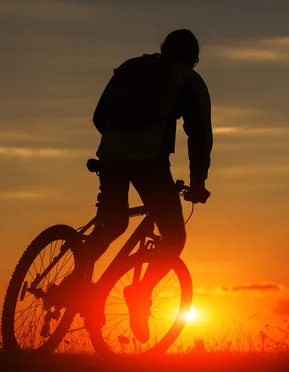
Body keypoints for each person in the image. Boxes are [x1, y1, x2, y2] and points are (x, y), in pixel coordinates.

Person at [85, 29, 213, 343]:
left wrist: (118, 141)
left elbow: (99, 116)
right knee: (173, 235)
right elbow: (198, 135)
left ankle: (77, 288)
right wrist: (198, 182)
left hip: (111, 154)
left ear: (163, 48)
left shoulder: (130, 67)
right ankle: (139, 292)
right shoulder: (188, 79)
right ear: (194, 59)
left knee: (111, 224)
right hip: (149, 161)